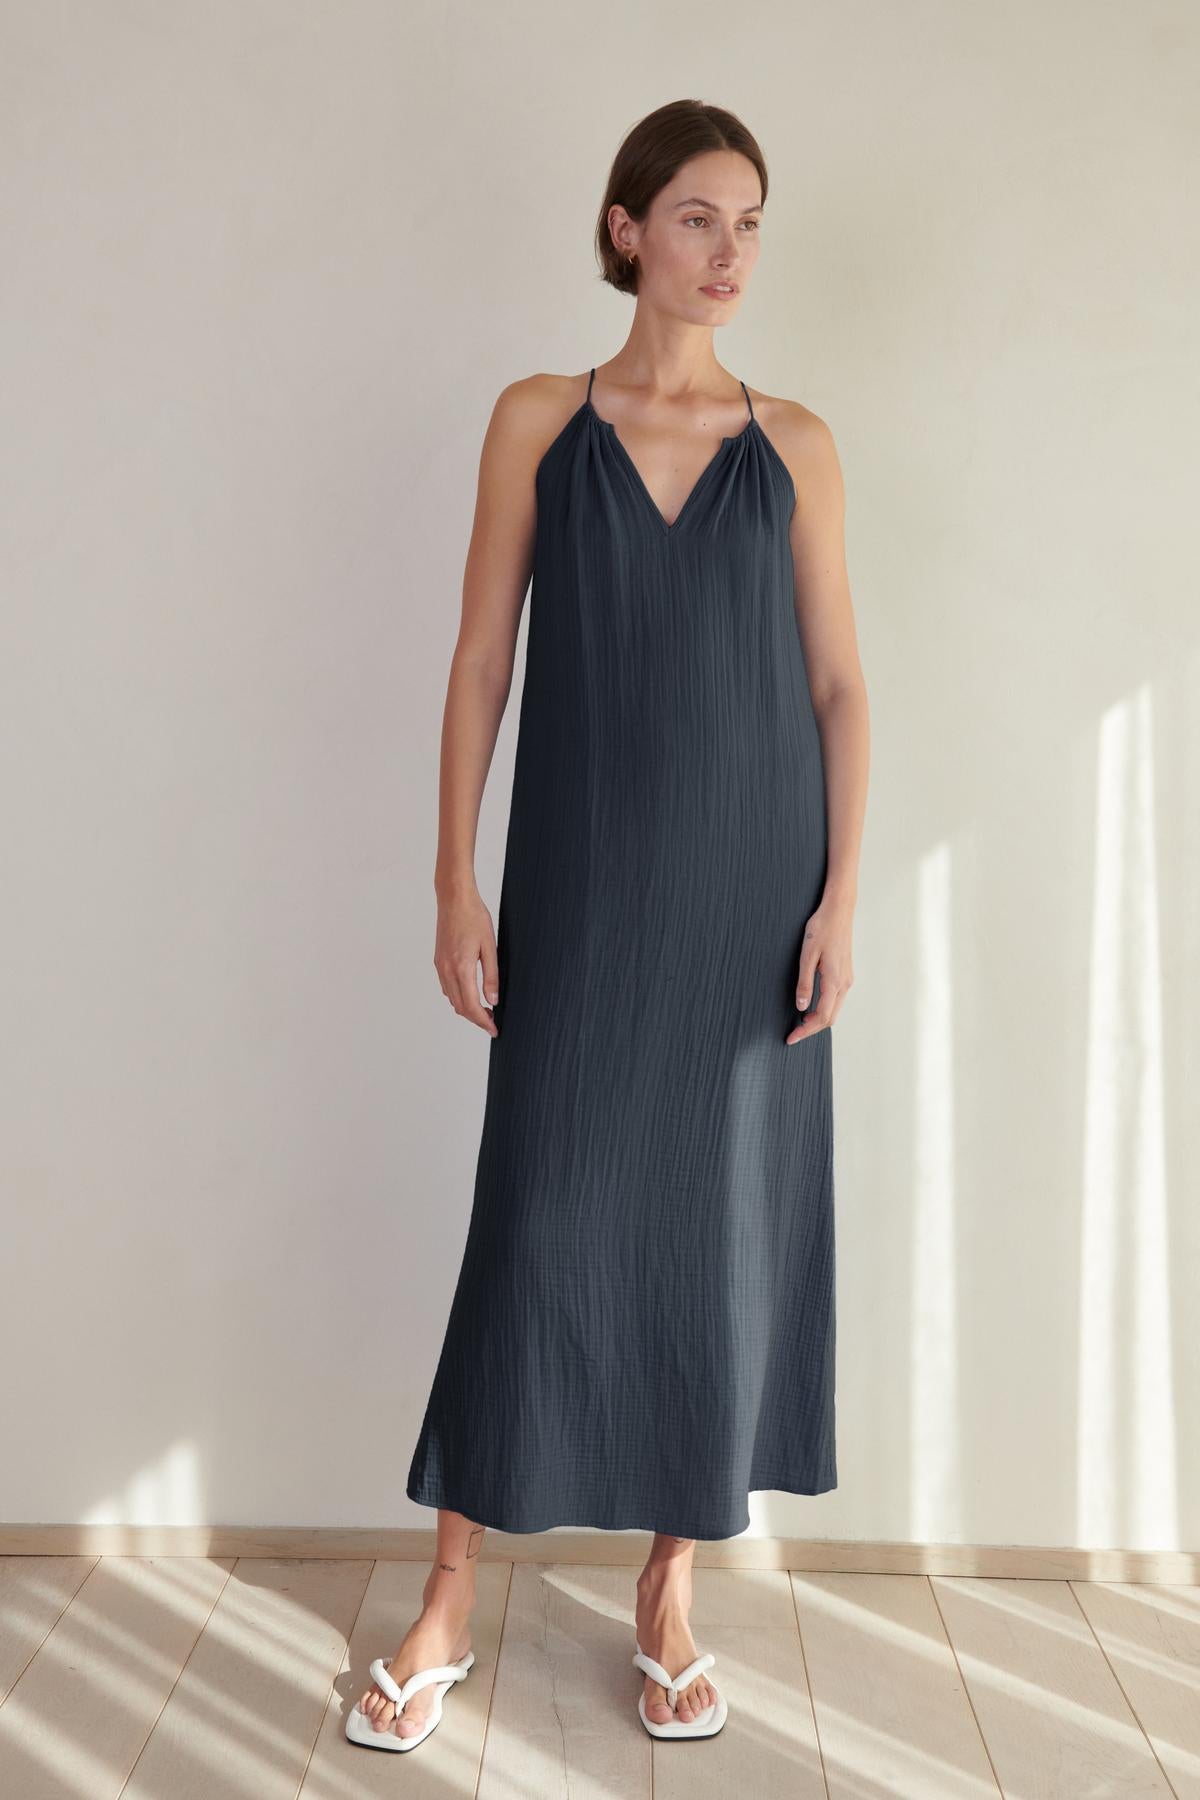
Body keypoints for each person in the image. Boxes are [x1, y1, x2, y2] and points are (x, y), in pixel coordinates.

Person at [352, 97, 869, 1752]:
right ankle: (449, 1593)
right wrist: (454, 875)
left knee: (716, 1236)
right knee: (538, 1224)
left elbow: (843, 687)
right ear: (630, 226)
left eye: (752, 224)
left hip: (748, 899)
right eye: (702, 217)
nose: (732, 254)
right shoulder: (534, 421)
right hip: (578, 890)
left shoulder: (797, 445)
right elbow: (480, 663)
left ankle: (670, 1591)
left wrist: (843, 893)